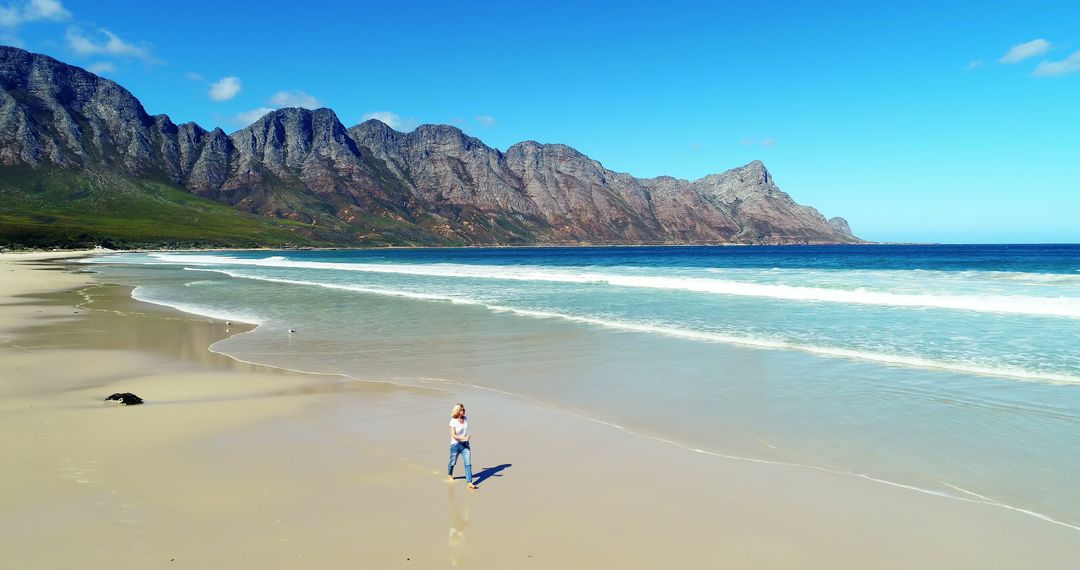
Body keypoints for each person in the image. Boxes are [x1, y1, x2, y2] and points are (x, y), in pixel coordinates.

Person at [447, 403, 477, 489]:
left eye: (464, 409)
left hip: (465, 445)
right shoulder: (453, 421)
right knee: (452, 462)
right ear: (458, 411)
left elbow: (464, 431)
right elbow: (453, 435)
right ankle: (449, 475)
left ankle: (469, 482)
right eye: (462, 410)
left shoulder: (465, 419)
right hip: (455, 445)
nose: (464, 411)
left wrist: (466, 439)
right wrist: (462, 438)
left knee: (468, 464)